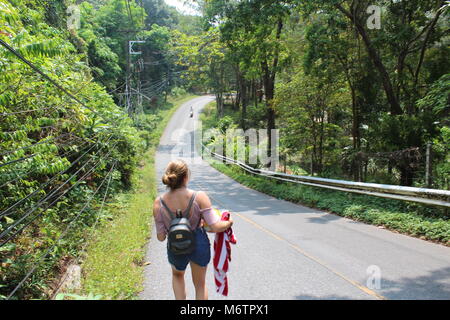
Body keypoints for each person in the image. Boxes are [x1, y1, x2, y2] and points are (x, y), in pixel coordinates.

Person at [153, 159, 233, 300]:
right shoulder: (199, 196)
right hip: (199, 243)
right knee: (200, 285)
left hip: (175, 246)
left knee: (177, 276)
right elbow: (215, 226)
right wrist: (229, 223)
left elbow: (160, 237)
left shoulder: (158, 202)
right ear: (185, 177)